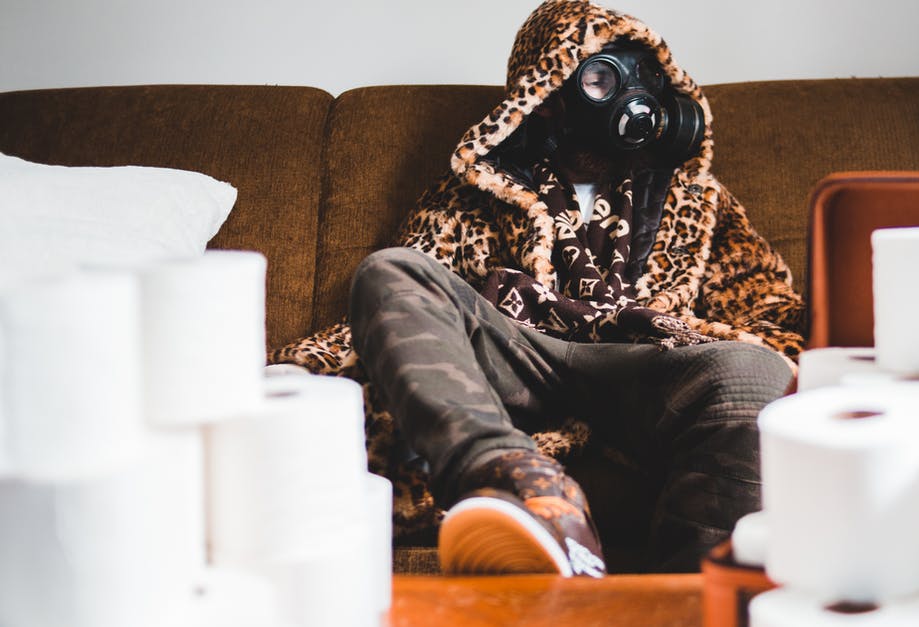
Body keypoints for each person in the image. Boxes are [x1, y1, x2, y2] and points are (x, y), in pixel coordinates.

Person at [272, 0, 805, 575]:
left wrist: (690, 338)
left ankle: (693, 595)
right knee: (388, 269)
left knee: (757, 369)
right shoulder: (476, 190)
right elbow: (409, 306)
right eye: (600, 77)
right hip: (519, 355)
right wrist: (304, 366)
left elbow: (771, 315)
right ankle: (514, 478)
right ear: (545, 95)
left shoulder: (695, 199)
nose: (630, 97)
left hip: (644, 365)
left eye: (642, 78)